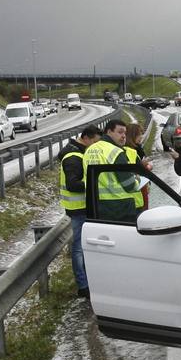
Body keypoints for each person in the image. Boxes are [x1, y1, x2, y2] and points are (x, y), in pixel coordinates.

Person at [59, 123, 99, 297]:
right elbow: (73, 184)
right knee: (79, 248)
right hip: (79, 208)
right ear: (86, 138)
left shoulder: (77, 153)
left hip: (81, 207)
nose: (96, 147)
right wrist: (94, 183)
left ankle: (87, 282)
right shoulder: (73, 157)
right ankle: (83, 286)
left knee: (82, 247)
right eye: (95, 143)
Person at [86, 119, 139, 223]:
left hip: (95, 206)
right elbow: (130, 186)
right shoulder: (116, 152)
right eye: (120, 132)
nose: (124, 136)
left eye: (125, 133)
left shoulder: (89, 150)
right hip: (121, 208)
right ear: (109, 132)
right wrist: (138, 180)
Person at [123, 121, 152, 212]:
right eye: (139, 135)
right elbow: (133, 169)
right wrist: (145, 166)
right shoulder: (130, 150)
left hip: (142, 184)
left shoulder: (138, 148)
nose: (141, 137)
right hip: (137, 187)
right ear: (132, 135)